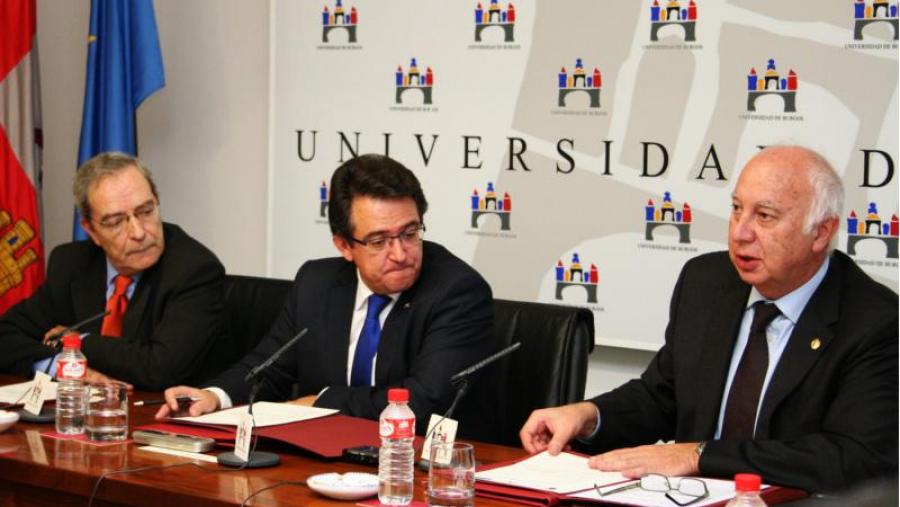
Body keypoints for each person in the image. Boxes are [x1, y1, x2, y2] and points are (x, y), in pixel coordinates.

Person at [519, 146, 898, 493]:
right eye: (736, 209)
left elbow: (856, 458)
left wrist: (698, 455)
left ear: (821, 232)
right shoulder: (707, 282)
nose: (740, 232)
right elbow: (663, 396)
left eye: (764, 216)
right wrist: (589, 415)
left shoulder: (874, 320)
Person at [157, 154, 494, 434]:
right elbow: (269, 365)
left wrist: (321, 401)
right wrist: (214, 395)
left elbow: (423, 405)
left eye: (410, 232)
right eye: (378, 241)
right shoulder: (317, 282)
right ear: (344, 245)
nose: (401, 253)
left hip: (418, 467)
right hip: (323, 461)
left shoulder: (457, 292)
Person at [0, 152, 228, 391]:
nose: (139, 232)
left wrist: (75, 342)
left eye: (146, 211)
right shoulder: (71, 264)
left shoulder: (194, 270)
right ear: (91, 230)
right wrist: (63, 365)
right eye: (116, 221)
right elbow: (5, 336)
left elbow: (160, 367)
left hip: (162, 418)